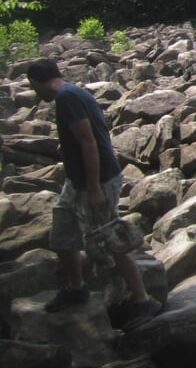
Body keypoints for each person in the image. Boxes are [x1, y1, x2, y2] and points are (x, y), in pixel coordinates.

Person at [26, 59, 160, 325]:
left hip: (96, 180)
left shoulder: (67, 98)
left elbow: (89, 143)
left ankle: (143, 300)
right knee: (62, 230)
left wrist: (95, 186)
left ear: (38, 81)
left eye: (32, 86)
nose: (34, 92)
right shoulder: (74, 92)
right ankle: (76, 287)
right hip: (77, 181)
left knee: (112, 239)